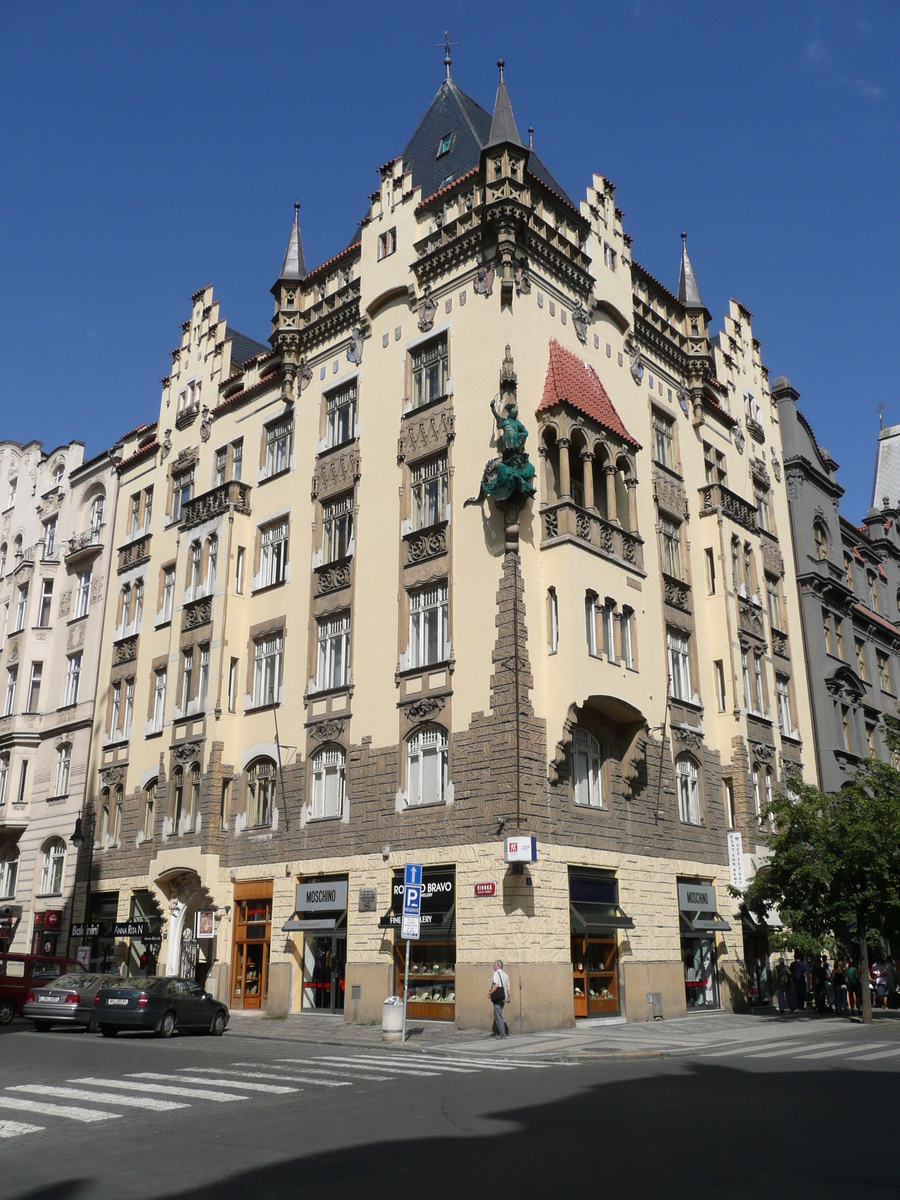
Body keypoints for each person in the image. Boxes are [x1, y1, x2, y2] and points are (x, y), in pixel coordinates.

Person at [489, 959, 511, 1037]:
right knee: (498, 1013)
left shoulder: (496, 973)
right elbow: (508, 988)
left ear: (498, 965)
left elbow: (496, 985)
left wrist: (490, 993)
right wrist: (509, 997)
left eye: (494, 964)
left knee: (498, 1014)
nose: (493, 966)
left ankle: (502, 1033)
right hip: (503, 996)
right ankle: (501, 1031)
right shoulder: (506, 975)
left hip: (498, 996)